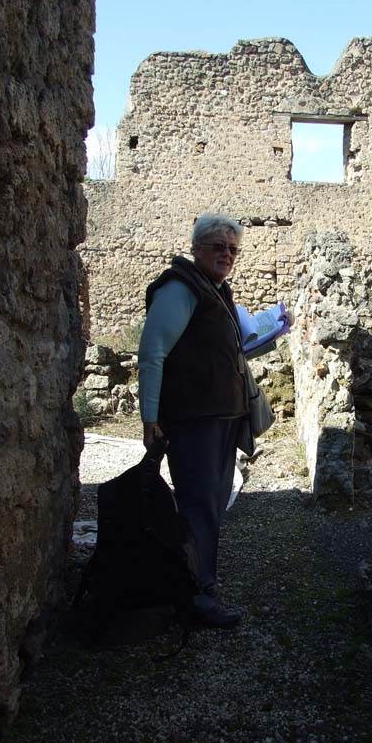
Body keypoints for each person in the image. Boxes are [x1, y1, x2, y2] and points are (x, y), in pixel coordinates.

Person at [138, 213, 251, 629]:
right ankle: (197, 597)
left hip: (220, 417)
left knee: (210, 504)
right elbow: (152, 353)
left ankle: (196, 583)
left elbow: (217, 353)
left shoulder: (216, 291)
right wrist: (150, 416)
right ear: (197, 248)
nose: (227, 255)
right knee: (200, 506)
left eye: (233, 249)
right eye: (218, 247)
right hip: (194, 420)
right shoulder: (180, 288)